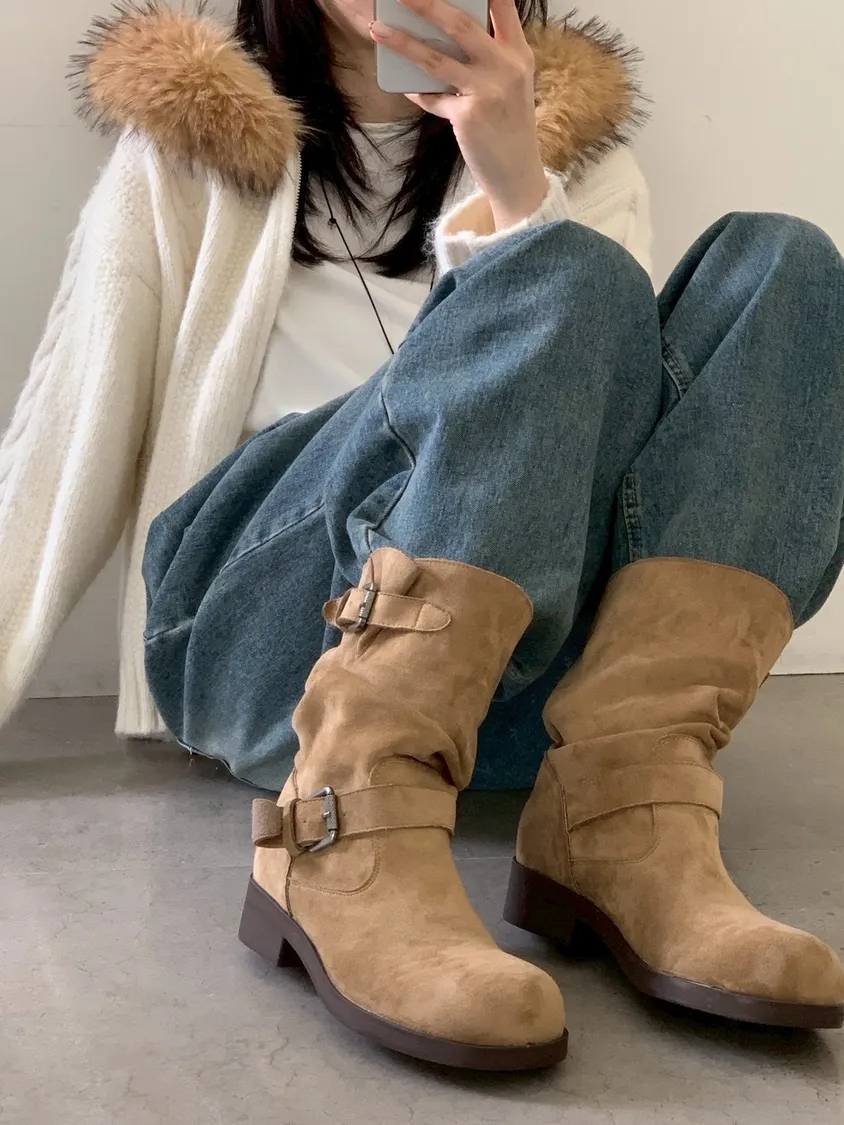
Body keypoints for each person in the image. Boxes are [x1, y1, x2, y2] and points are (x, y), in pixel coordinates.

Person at [1, 0, 842, 1072]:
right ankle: (346, 822)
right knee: (567, 272)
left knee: (786, 262)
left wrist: (519, 180)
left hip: (500, 691)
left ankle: (623, 811)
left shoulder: (587, 167)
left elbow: (603, 451)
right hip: (260, 641)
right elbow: (69, 429)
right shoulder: (181, 151)